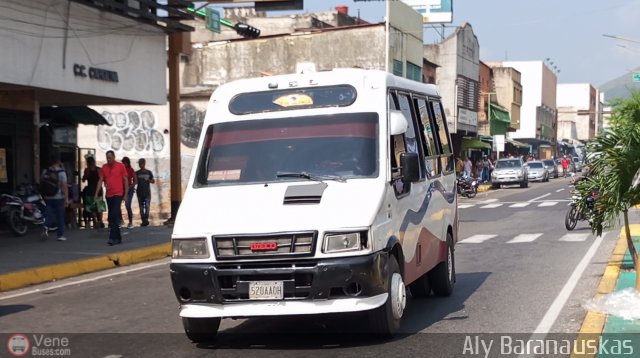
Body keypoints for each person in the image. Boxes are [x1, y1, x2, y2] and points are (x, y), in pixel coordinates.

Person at [95, 150, 129, 246]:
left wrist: (125, 194)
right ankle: (118, 238)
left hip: (118, 194)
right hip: (109, 195)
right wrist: (96, 193)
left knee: (114, 214)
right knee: (112, 217)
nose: (108, 160)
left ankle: (112, 238)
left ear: (114, 157)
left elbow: (125, 180)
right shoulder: (104, 168)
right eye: (107, 158)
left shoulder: (120, 166)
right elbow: (100, 180)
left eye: (110, 157)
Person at [41, 152, 69, 241]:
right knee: (60, 216)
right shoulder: (61, 172)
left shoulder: (45, 171)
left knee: (48, 215)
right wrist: (66, 198)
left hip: (48, 197)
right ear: (58, 161)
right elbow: (64, 186)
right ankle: (60, 235)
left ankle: (45, 227)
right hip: (59, 197)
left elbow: (42, 182)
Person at [81, 155, 105, 229]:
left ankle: (96, 221)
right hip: (97, 191)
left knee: (93, 207)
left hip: (91, 190)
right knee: (99, 207)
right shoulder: (98, 170)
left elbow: (83, 179)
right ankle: (99, 221)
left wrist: (86, 175)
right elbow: (102, 179)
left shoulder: (88, 170)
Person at [135, 158, 155, 227]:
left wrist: (149, 180)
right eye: (139, 164)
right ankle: (144, 220)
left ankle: (145, 219)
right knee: (141, 207)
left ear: (144, 164)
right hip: (139, 193)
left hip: (147, 193)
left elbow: (153, 181)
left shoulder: (149, 172)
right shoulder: (136, 173)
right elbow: (135, 182)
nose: (140, 165)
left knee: (147, 207)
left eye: (141, 163)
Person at [121, 157, 137, 229]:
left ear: (127, 163)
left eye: (125, 163)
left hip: (129, 190)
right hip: (121, 189)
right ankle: (121, 220)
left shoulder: (131, 170)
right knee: (117, 205)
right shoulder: (120, 170)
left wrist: (131, 186)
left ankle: (130, 222)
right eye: (123, 163)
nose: (123, 164)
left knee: (127, 205)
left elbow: (135, 181)